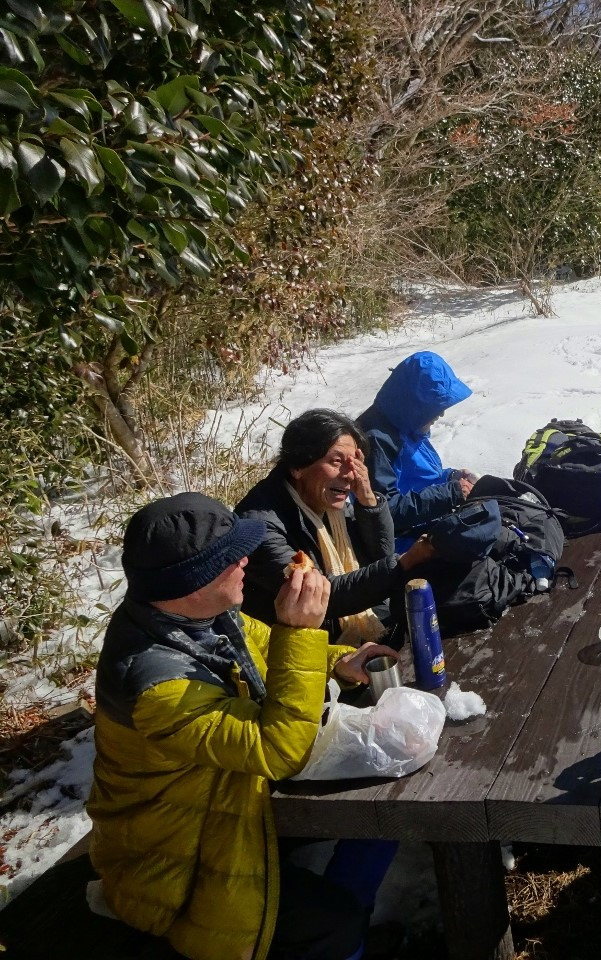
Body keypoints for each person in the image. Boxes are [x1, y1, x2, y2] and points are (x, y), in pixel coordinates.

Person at [88, 493, 399, 960]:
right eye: (231, 556)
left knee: (386, 813)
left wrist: (341, 661)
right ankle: (342, 933)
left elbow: (272, 652)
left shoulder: (197, 616)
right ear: (192, 580)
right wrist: (304, 632)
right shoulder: (157, 684)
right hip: (176, 861)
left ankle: (352, 921)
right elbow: (277, 749)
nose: (246, 561)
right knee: (331, 921)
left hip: (227, 799)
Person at [238, 409, 436, 644]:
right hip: (299, 648)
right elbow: (317, 596)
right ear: (297, 466)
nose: (350, 475)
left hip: (346, 628)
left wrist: (368, 502)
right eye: (336, 462)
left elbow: (378, 556)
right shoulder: (260, 525)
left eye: (354, 463)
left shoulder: (329, 503)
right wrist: (403, 564)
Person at [356, 350, 475, 548]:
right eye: (435, 407)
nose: (442, 413)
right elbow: (385, 510)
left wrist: (451, 477)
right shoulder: (376, 440)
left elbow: (416, 480)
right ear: (415, 404)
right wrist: (450, 494)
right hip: (402, 546)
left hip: (423, 527)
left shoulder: (405, 426)